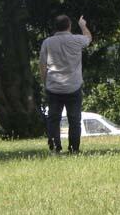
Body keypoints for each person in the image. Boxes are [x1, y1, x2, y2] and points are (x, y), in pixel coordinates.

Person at [39, 15, 92, 154]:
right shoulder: (76, 40)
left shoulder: (47, 43)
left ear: (55, 27)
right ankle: (74, 149)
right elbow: (88, 38)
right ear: (69, 25)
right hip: (73, 86)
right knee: (74, 119)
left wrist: (45, 83)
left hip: (54, 86)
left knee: (53, 119)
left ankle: (55, 148)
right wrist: (82, 25)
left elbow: (43, 66)